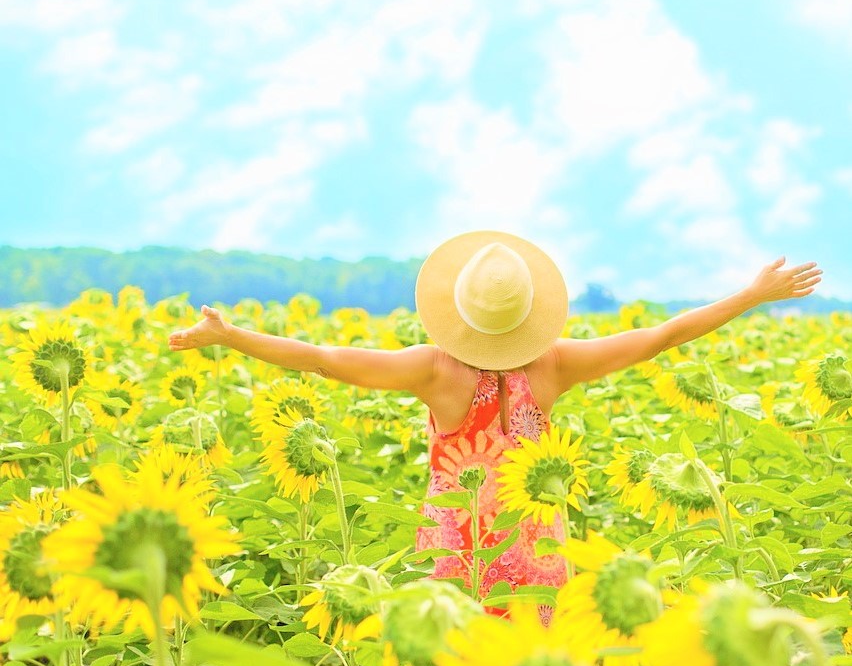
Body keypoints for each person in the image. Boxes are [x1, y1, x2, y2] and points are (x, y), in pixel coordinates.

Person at [168, 229, 822, 615]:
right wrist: (750, 295)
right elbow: (659, 335)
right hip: (539, 556)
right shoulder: (555, 364)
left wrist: (232, 336)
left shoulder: (436, 372)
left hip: (461, 557)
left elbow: (325, 359)